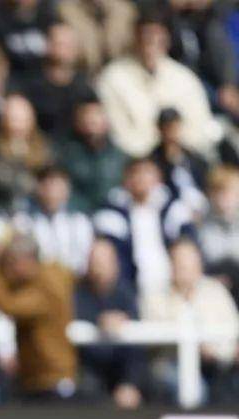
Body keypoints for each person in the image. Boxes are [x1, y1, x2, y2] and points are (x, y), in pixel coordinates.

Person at [95, 11, 217, 158]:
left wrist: (175, 151)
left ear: (168, 41)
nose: (151, 46)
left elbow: (200, 127)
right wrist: (154, 156)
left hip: (185, 158)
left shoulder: (185, 78)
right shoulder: (112, 78)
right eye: (146, 39)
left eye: (158, 40)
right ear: (135, 39)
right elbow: (119, 135)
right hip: (137, 161)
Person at [0, 233, 77, 400]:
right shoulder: (49, 275)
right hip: (36, 379)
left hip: (50, 379)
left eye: (9, 263)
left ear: (24, 261)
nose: (6, 271)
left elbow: (8, 305)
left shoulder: (47, 289)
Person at [142, 239, 239, 404]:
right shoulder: (156, 296)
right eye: (181, 263)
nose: (186, 268)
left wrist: (221, 352)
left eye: (191, 262)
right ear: (171, 265)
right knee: (195, 389)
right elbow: (154, 339)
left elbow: (233, 329)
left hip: (220, 366)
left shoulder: (215, 291)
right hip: (171, 366)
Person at [93, 157, 196, 297]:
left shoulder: (172, 208)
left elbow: (188, 240)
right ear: (126, 180)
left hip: (172, 282)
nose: (141, 179)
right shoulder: (112, 212)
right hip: (131, 286)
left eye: (147, 173)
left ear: (158, 178)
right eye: (135, 173)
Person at [74, 238, 144, 409]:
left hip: (122, 370)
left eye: (104, 262)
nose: (99, 267)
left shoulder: (127, 294)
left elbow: (136, 350)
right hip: (89, 370)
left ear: (116, 264)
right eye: (95, 262)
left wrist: (130, 383)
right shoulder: (77, 294)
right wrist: (99, 321)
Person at [12, 166, 93, 276]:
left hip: (73, 279)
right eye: (47, 185)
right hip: (37, 279)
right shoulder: (23, 221)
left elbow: (83, 260)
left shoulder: (80, 222)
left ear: (67, 190)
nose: (52, 192)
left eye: (57, 185)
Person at [56, 97, 128, 213]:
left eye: (96, 116)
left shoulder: (120, 157)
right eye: (86, 116)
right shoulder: (65, 155)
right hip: (77, 214)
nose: (91, 121)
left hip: (113, 213)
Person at [198, 165, 239, 303]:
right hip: (212, 289)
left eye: (229, 192)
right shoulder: (201, 225)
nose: (224, 198)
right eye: (218, 192)